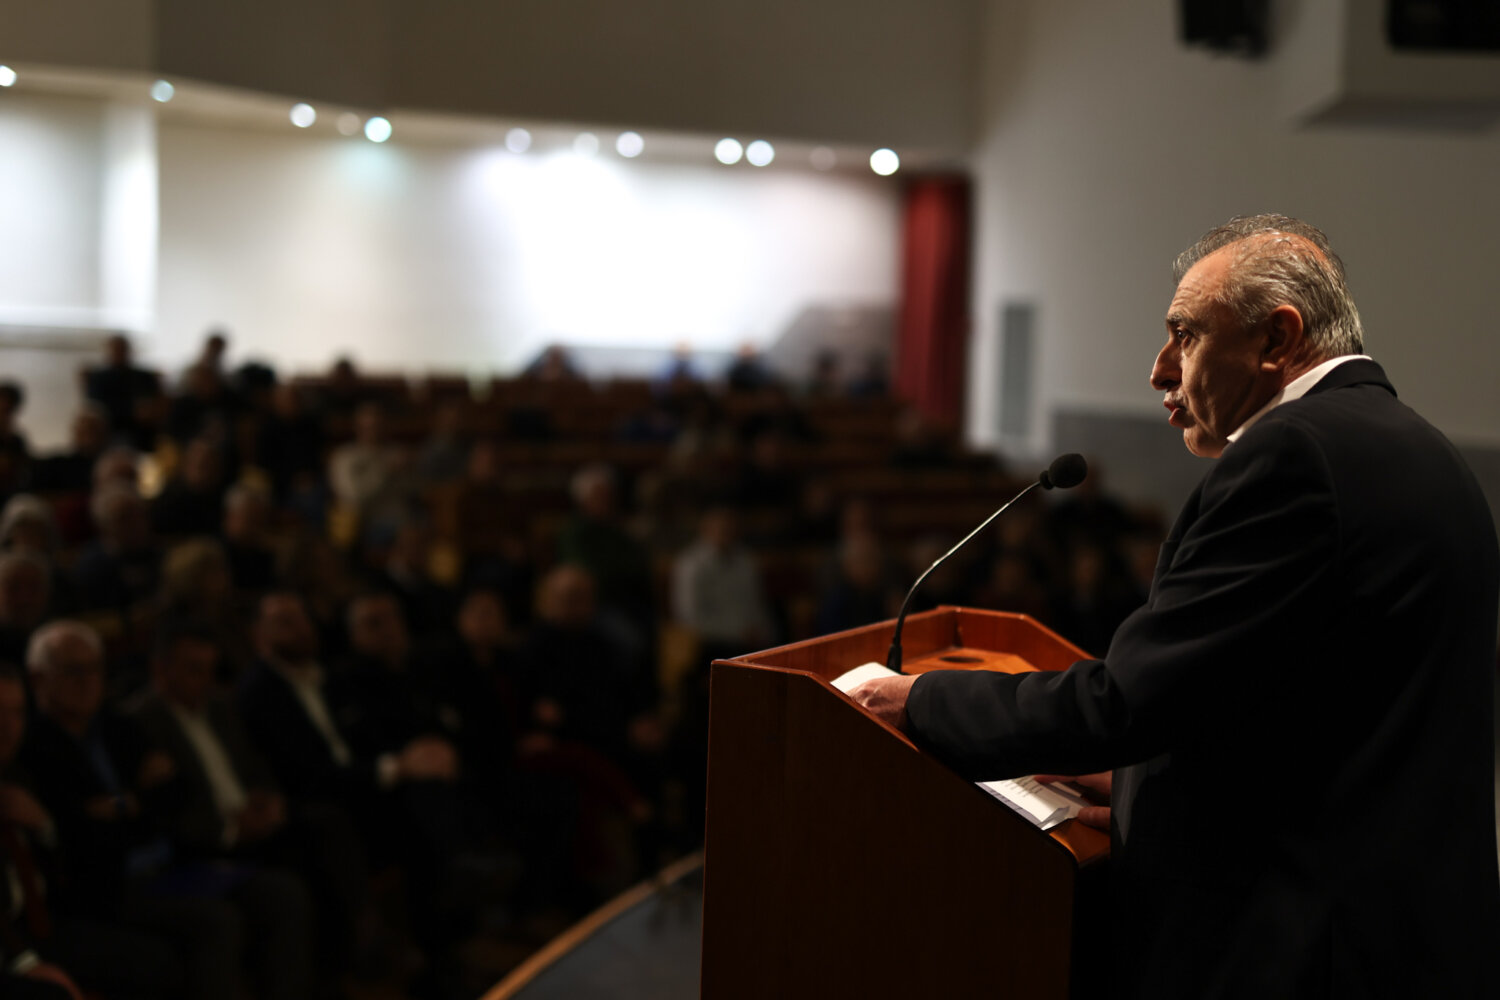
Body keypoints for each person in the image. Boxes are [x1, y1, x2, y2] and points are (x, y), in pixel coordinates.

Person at [850, 215, 1500, 998]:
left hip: (1304, 954)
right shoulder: (1423, 451)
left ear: (1277, 338)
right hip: (1406, 937)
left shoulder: (1292, 455)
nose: (1160, 369)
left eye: (1185, 335)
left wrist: (918, 701)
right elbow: (1309, 710)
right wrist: (1132, 785)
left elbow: (1128, 702)